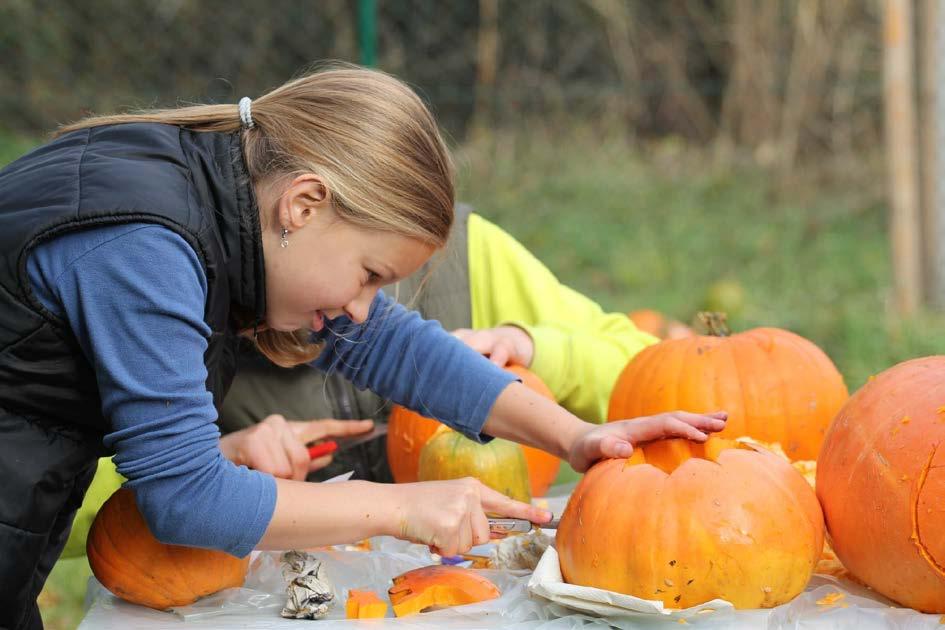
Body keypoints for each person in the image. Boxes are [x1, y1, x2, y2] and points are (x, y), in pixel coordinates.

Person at [0, 64, 726, 629]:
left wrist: (574, 436)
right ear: (305, 203)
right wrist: (401, 509)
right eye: (369, 274)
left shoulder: (222, 195)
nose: (359, 305)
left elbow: (385, 343)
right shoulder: (147, 248)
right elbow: (186, 497)